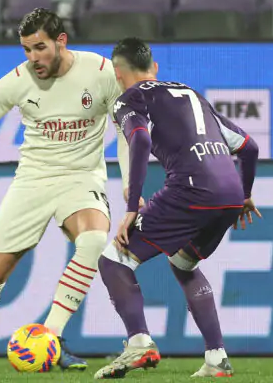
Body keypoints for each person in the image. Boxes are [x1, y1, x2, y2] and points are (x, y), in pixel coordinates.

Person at [0, 8, 132, 372]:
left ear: (61, 41)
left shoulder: (101, 72)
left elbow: (127, 130)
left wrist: (131, 186)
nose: (33, 57)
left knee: (93, 240)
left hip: (81, 177)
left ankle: (51, 336)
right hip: (32, 180)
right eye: (26, 49)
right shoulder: (19, 80)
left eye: (40, 47)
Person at [93, 38, 261, 380]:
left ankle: (139, 343)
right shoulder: (191, 93)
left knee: (114, 261)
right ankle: (217, 358)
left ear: (118, 73)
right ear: (153, 67)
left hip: (191, 189)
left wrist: (131, 207)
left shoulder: (130, 98)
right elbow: (249, 147)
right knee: (183, 262)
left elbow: (140, 139)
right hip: (230, 193)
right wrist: (244, 195)